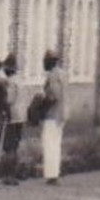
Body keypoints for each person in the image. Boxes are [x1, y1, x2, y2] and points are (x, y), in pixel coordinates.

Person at [1, 53, 27, 185]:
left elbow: (9, 100)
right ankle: (14, 174)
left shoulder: (10, 82)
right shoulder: (21, 80)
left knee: (9, 146)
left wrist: (2, 105)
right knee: (15, 146)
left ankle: (9, 176)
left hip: (12, 117)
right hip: (21, 117)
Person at [41, 51, 65, 185]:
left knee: (49, 144)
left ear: (50, 62)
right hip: (61, 113)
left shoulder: (53, 76)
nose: (43, 64)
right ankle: (54, 173)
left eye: (45, 61)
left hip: (52, 114)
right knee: (56, 144)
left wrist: (42, 103)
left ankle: (52, 175)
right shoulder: (63, 74)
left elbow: (53, 96)